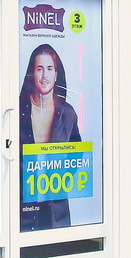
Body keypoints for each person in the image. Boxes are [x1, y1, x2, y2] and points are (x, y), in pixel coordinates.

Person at [18, 43, 84, 231]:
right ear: (32, 73)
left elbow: (76, 154)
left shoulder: (68, 113)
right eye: (39, 69)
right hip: (23, 208)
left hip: (56, 210)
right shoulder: (16, 110)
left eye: (49, 69)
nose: (44, 76)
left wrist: (58, 181)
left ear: (56, 74)